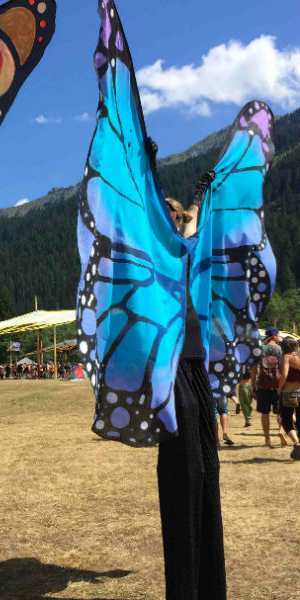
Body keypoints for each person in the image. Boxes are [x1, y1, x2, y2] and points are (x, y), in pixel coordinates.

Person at [158, 180, 226, 600]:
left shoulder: (187, 251)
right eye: (163, 217)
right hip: (171, 366)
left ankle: (208, 585)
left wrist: (201, 197)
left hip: (196, 363)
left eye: (176, 217)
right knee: (184, 469)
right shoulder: (154, 256)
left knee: (207, 469)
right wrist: (146, 169)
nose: (172, 222)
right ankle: (185, 586)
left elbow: (195, 225)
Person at [251, 327, 284, 447]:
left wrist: (252, 384)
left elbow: (254, 368)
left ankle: (267, 440)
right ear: (274, 336)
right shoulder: (280, 349)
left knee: (265, 413)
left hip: (263, 385)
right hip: (277, 385)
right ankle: (281, 431)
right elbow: (283, 369)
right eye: (278, 335)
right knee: (280, 412)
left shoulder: (260, 350)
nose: (279, 336)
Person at [276, 337, 300, 459]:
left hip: (288, 392)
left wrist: (279, 389)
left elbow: (284, 375)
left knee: (286, 420)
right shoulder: (299, 356)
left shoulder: (287, 357)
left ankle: (296, 443)